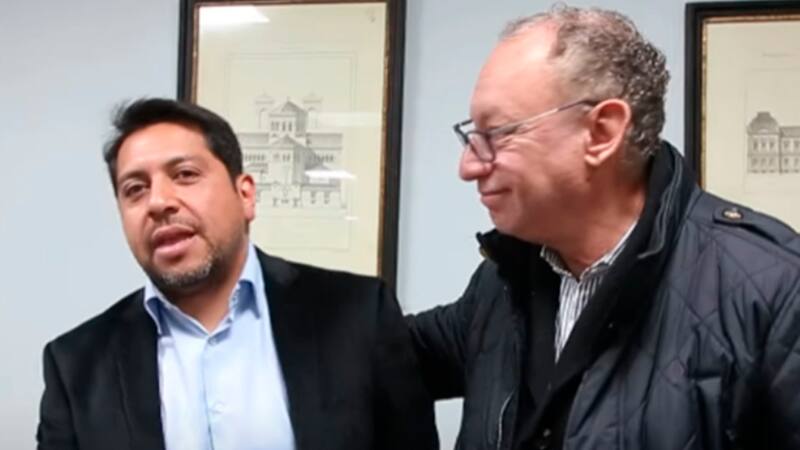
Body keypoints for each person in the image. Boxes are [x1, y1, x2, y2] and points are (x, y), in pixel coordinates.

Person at [408, 6, 800, 450]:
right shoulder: (501, 283)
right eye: (471, 137)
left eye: (497, 133)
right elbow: (382, 348)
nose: (468, 167)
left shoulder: (773, 291)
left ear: (601, 132)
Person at [37, 98, 438, 450]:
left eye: (185, 175)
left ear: (245, 195)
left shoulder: (357, 313)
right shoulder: (76, 365)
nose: (158, 202)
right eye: (135, 189)